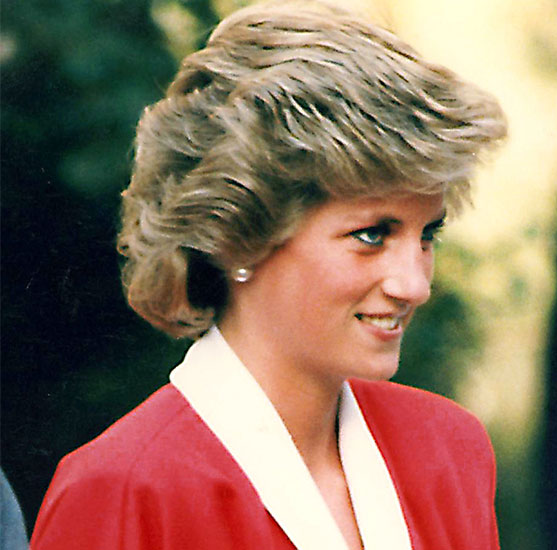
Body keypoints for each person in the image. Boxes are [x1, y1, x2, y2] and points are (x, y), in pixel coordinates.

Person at [30, 1, 506, 548]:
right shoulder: (126, 490)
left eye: (427, 236)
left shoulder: (449, 450)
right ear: (237, 234)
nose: (414, 285)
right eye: (372, 235)